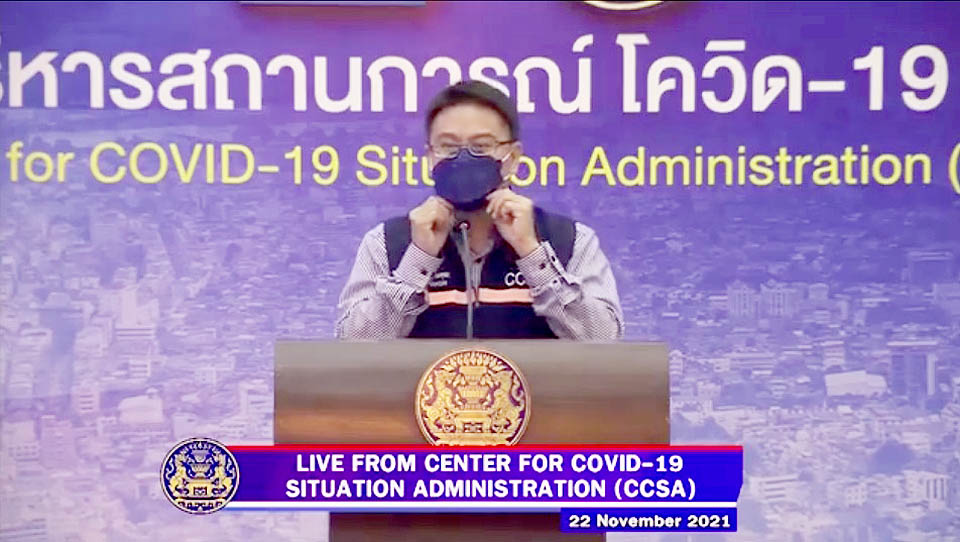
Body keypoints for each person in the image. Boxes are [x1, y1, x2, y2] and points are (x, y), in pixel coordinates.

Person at [336, 80, 623, 340]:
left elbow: (604, 341)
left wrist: (531, 253)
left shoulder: (570, 241)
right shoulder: (387, 243)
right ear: (430, 156)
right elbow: (353, 346)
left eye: (481, 146)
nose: (464, 158)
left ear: (513, 158)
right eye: (448, 147)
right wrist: (418, 260)